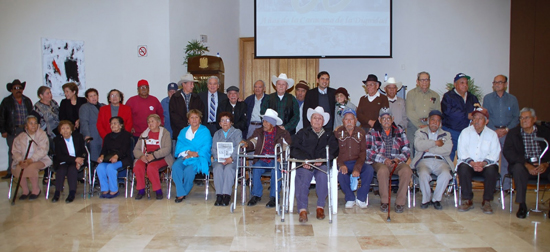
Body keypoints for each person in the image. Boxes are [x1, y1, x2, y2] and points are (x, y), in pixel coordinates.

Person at [291, 106, 338, 222]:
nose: (317, 120)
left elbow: (334, 150)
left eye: (319, 118)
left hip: (321, 164)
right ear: (310, 120)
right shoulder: (302, 133)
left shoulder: (329, 135)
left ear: (323, 122)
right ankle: (302, 210)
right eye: (314, 118)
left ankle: (320, 207)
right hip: (305, 164)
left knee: (322, 176)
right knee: (303, 177)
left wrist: (322, 159)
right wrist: (304, 160)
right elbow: (293, 149)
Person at [503, 108, 550, 219]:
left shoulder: (545, 132)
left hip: (542, 164)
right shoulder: (514, 133)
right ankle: (522, 205)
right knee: (518, 169)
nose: (523, 120)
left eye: (526, 117)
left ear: (535, 119)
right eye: (521, 118)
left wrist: (546, 163)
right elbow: (508, 152)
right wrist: (526, 164)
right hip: (523, 164)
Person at [241, 108, 292, 207]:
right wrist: (246, 144)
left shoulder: (283, 134)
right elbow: (253, 141)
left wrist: (282, 157)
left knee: (276, 169)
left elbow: (288, 148)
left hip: (276, 159)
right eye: (263, 121)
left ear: (272, 124)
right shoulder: (259, 132)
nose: (264, 123)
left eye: (267, 122)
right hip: (263, 159)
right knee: (256, 167)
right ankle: (256, 195)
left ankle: (274, 196)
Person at [366, 107, 412, 213]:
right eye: (383, 118)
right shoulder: (372, 132)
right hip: (379, 162)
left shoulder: (399, 130)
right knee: (383, 170)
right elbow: (368, 151)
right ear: (379, 119)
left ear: (392, 119)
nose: (386, 121)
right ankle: (385, 201)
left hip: (396, 161)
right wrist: (384, 160)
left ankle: (400, 203)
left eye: (388, 118)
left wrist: (398, 159)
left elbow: (406, 149)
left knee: (407, 170)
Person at [456, 107, 500, 214]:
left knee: (492, 170)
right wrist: (472, 163)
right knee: (463, 168)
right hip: (469, 163)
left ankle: (487, 201)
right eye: (474, 118)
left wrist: (483, 163)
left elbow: (495, 154)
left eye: (480, 118)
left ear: (486, 121)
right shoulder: (465, 132)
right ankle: (467, 200)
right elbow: (462, 152)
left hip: (486, 164)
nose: (476, 121)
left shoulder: (492, 134)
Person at [483, 75, 519, 192]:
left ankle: (506, 186)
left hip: (507, 133)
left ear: (506, 84)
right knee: (491, 160)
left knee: (505, 160)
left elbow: (516, 117)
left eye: (500, 82)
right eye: (495, 82)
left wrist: (506, 129)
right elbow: (486, 116)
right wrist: (495, 130)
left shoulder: (512, 99)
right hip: (492, 132)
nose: (497, 84)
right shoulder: (487, 98)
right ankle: (492, 186)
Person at [410, 110, 453, 210]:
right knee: (423, 174)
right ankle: (426, 199)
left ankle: (436, 199)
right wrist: (435, 143)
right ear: (428, 121)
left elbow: (447, 150)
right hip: (424, 160)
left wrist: (430, 148)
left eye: (438, 121)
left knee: (446, 174)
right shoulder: (420, 132)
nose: (435, 122)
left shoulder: (446, 134)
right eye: (433, 120)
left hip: (441, 161)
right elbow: (419, 146)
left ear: (440, 123)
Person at [335, 109, 373, 209]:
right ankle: (350, 198)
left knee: (369, 170)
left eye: (351, 119)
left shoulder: (361, 133)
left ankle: (361, 197)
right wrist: (341, 164)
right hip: (344, 163)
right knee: (341, 174)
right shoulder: (337, 133)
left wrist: (357, 168)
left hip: (358, 162)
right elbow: (335, 151)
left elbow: (363, 153)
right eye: (346, 119)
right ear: (343, 121)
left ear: (356, 120)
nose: (349, 122)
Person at [172, 109, 212, 202]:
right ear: (188, 120)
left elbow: (206, 147)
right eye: (192, 117)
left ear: (200, 120)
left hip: (199, 158)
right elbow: (179, 146)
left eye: (196, 117)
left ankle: (183, 192)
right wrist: (188, 152)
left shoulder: (205, 131)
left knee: (188, 171)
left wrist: (193, 155)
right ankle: (181, 192)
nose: (194, 120)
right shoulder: (183, 131)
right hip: (184, 156)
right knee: (176, 166)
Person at [133, 114, 174, 200]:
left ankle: (158, 190)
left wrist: (154, 156)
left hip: (161, 157)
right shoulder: (144, 134)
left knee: (151, 167)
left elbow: (167, 149)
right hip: (146, 156)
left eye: (152, 121)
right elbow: (136, 149)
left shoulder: (165, 133)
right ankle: (141, 190)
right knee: (138, 166)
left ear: (158, 123)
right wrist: (141, 156)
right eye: (148, 122)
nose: (150, 124)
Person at [11, 115, 52, 199]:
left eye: (35, 123)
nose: (33, 125)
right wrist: (20, 160)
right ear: (26, 126)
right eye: (31, 123)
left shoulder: (42, 134)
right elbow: (15, 151)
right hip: (23, 160)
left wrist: (31, 160)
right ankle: (25, 191)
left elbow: (43, 150)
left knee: (31, 168)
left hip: (40, 159)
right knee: (18, 168)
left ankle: (36, 190)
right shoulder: (20, 137)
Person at [441, 73, 480, 161]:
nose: (465, 85)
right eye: (462, 83)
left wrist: (477, 118)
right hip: (451, 131)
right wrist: (467, 115)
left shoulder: (472, 97)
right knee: (448, 156)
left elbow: (478, 111)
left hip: (468, 132)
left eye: (466, 83)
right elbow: (449, 112)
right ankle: (449, 173)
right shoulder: (448, 96)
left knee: (468, 156)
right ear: (455, 84)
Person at [1, 79, 34, 179]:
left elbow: (31, 114)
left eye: (19, 88)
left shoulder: (27, 100)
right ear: (11, 90)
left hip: (25, 130)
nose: (18, 90)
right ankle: (11, 172)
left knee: (26, 151)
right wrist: (3, 130)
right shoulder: (6, 101)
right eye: (15, 88)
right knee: (13, 151)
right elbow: (1, 117)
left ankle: (25, 170)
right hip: (12, 130)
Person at [406, 71, 441, 158]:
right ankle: (413, 169)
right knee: (413, 149)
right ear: (417, 82)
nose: (424, 82)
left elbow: (438, 112)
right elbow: (410, 112)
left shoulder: (435, 95)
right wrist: (420, 125)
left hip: (430, 127)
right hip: (414, 126)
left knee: (428, 149)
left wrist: (430, 126)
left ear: (429, 81)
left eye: (426, 80)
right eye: (422, 80)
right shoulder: (411, 94)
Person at [96, 116, 133, 199]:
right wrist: (101, 156)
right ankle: (105, 189)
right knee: (100, 167)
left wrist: (116, 156)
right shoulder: (108, 136)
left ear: (121, 125)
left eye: (115, 123)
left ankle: (114, 190)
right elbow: (104, 149)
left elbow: (124, 149)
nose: (113, 125)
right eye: (111, 123)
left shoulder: (126, 135)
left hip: (123, 158)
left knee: (110, 168)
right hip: (110, 158)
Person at [211, 112, 242, 206]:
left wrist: (231, 158)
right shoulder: (217, 133)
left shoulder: (237, 132)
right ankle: (219, 195)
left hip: (232, 159)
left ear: (231, 122)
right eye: (222, 120)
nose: (225, 122)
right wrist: (218, 157)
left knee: (229, 169)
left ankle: (226, 195)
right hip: (219, 160)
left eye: (227, 120)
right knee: (218, 169)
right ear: (219, 123)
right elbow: (213, 148)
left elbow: (238, 146)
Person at [52, 120, 85, 203]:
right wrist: (74, 159)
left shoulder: (78, 137)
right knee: (61, 170)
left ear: (71, 130)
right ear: (60, 131)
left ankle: (72, 193)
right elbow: (60, 156)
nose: (65, 130)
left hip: (76, 162)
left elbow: (83, 151)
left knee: (72, 170)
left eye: (67, 128)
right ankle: (57, 192)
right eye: (63, 128)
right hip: (63, 161)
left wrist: (79, 160)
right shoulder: (57, 140)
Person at [33, 86, 59, 184]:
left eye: (50, 92)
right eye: (47, 93)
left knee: (57, 155)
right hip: (45, 135)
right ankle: (47, 177)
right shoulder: (37, 107)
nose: (50, 95)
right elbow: (35, 122)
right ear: (41, 95)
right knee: (48, 155)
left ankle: (56, 175)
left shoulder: (54, 103)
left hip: (56, 134)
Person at [169, 73, 204, 140]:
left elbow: (201, 113)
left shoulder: (196, 98)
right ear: (184, 84)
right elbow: (173, 116)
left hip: (195, 132)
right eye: (191, 84)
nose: (193, 86)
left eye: (193, 84)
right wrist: (185, 127)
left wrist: (194, 125)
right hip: (179, 132)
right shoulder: (175, 98)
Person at [79, 88, 105, 161]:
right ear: (87, 98)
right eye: (91, 96)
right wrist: (87, 135)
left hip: (102, 135)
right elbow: (84, 122)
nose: (93, 97)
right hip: (92, 135)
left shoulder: (103, 106)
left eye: (95, 95)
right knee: (94, 157)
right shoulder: (85, 107)